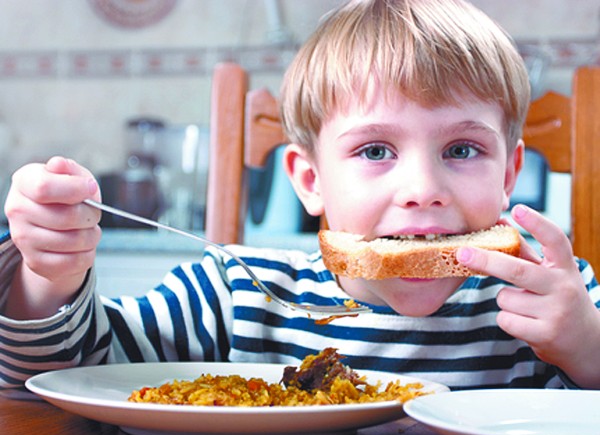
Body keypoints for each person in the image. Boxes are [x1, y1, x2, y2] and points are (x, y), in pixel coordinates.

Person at [1, 0, 599, 398]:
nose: (422, 191)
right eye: (374, 151)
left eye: (463, 150)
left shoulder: (556, 298)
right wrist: (48, 279)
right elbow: (66, 376)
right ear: (308, 179)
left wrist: (586, 349)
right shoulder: (235, 291)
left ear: (510, 172)